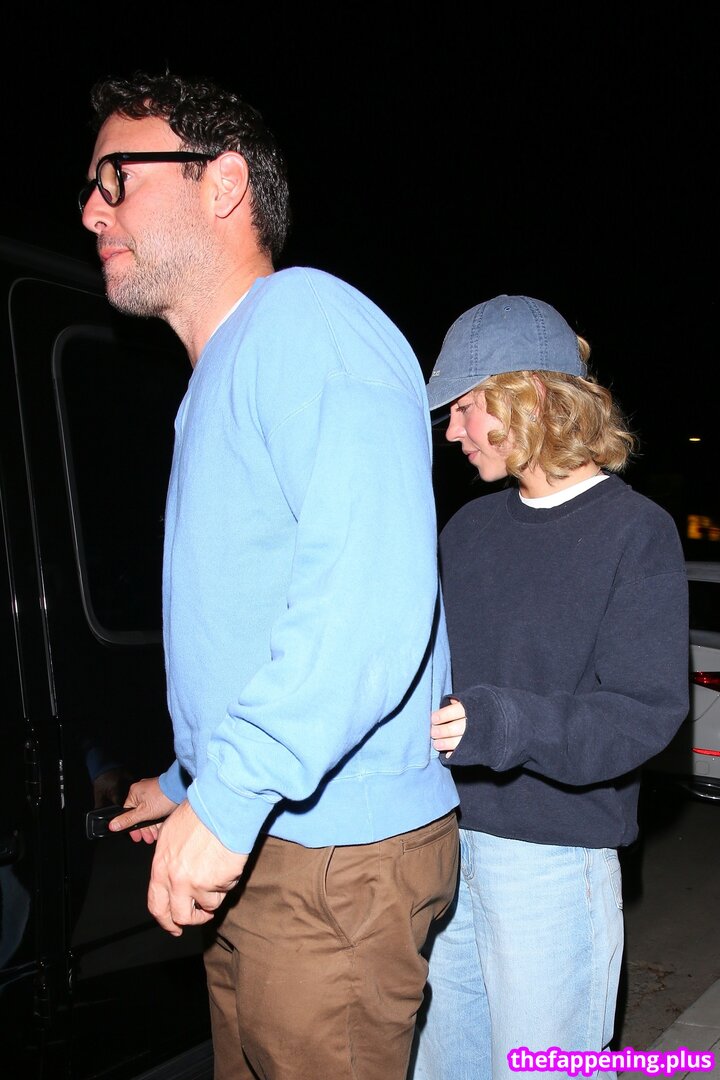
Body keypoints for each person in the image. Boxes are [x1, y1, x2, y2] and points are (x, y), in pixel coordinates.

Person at [79, 72, 459, 1080]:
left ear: (224, 183)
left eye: (118, 177)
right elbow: (256, 617)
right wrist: (189, 780)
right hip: (276, 836)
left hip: (330, 857)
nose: (92, 211)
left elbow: (368, 603)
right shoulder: (219, 375)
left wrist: (234, 790)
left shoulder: (307, 321)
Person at [410, 295, 689, 1080]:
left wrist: (501, 723)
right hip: (445, 847)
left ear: (528, 396)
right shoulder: (467, 530)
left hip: (554, 865)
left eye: (465, 407)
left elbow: (643, 713)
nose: (452, 431)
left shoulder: (635, 532)